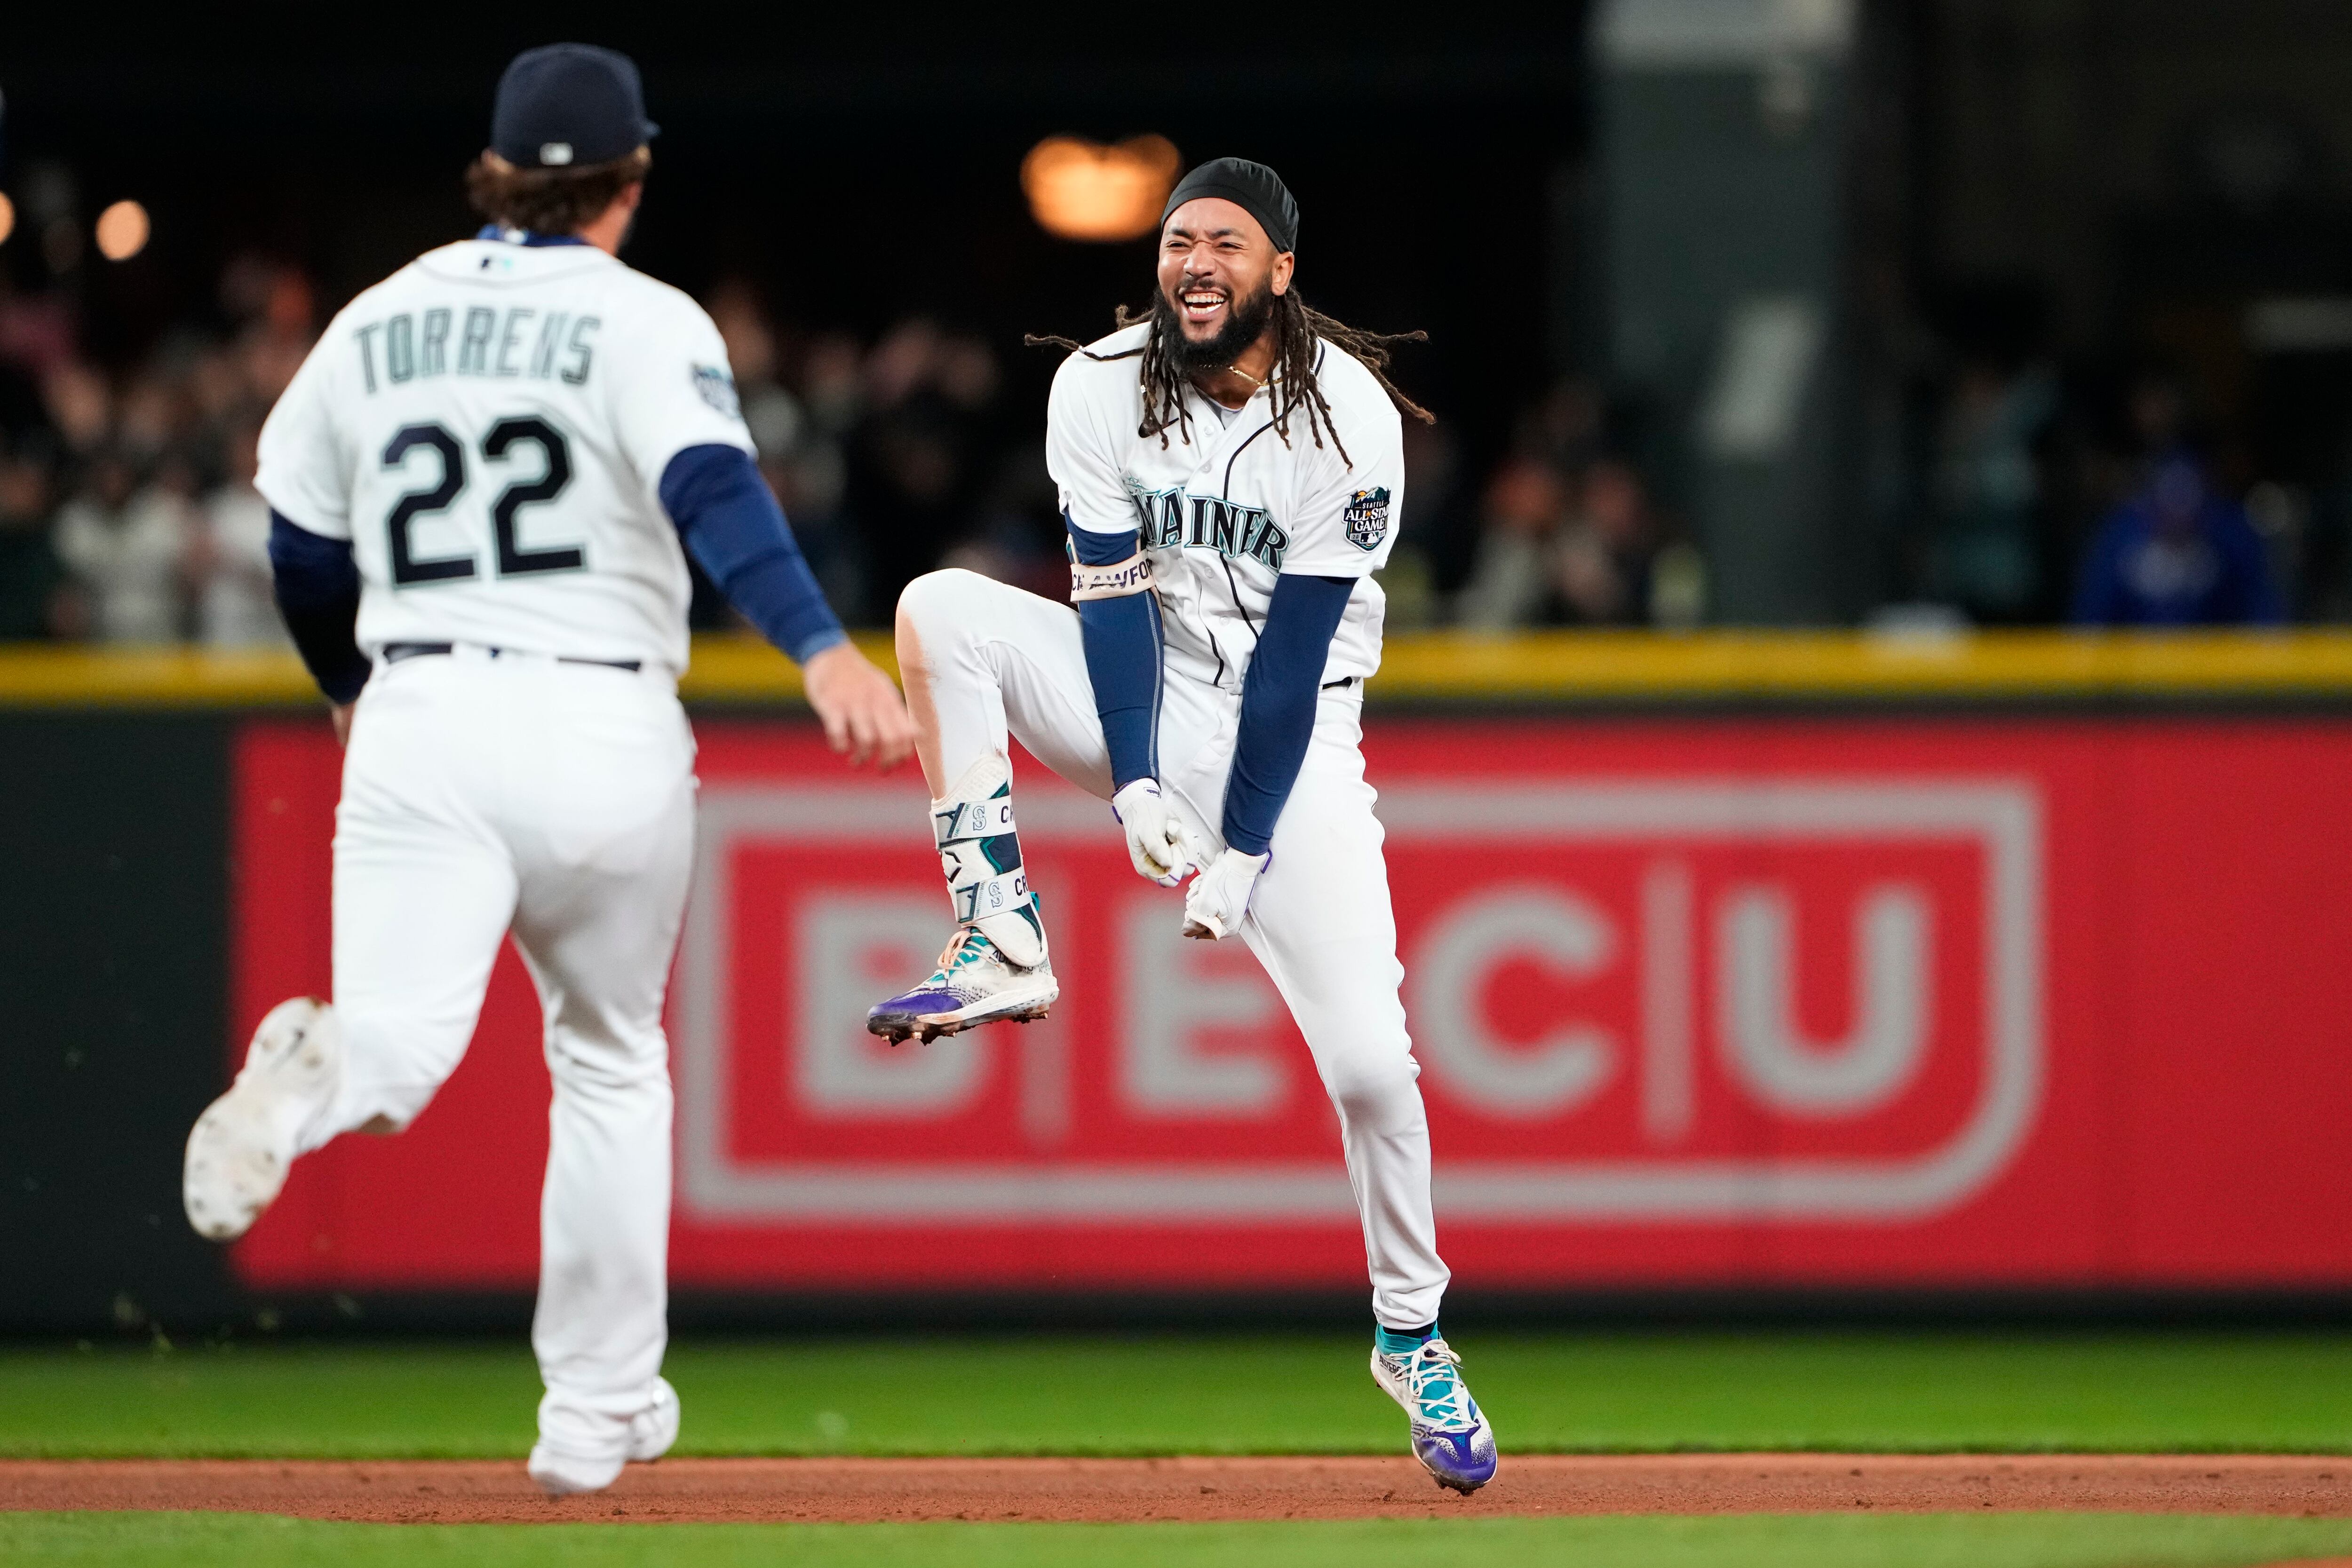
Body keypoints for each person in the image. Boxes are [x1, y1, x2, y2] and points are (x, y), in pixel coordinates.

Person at [177, 44, 912, 1497]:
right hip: (598, 721)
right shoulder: (642, 319)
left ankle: (308, 1084)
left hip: (421, 712)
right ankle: (588, 1416)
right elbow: (715, 492)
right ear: (627, 183)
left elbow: (304, 551)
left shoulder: (373, 321)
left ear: (496, 175)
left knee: (394, 1050)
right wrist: (821, 648)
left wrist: (345, 692)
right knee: (609, 1060)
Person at [868, 158, 1497, 1493]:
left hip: (1297, 741)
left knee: (1374, 1072)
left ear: (1280, 270)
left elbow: (1291, 666)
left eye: (1224, 240)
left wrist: (1243, 851)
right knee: (939, 609)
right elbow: (1108, 601)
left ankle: (1411, 1332)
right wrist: (1140, 785)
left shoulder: (1346, 414)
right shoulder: (1097, 381)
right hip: (1142, 688)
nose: (1192, 260)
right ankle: (999, 933)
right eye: (1174, 240)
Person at [2070, 451, 2283, 626]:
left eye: (2188, 503)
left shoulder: (2230, 538)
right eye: (2170, 503)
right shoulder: (2120, 539)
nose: (2178, 517)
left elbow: (2264, 616)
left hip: (2210, 666)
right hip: (2133, 668)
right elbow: (2090, 622)